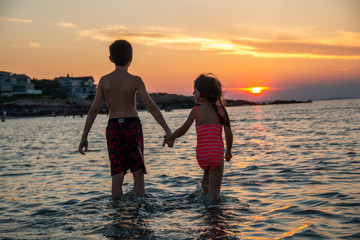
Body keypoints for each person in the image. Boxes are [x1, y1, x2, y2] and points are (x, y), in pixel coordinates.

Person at [78, 40, 173, 199]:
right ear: (131, 58)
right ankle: (140, 205)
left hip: (113, 127)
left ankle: (116, 210)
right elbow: (151, 106)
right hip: (132, 126)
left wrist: (84, 137)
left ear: (111, 59)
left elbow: (94, 109)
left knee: (117, 172)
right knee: (137, 171)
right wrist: (167, 130)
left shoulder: (104, 80)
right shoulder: (135, 80)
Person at [163, 73, 233, 202]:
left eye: (195, 91)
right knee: (214, 195)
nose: (192, 93)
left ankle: (203, 209)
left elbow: (183, 129)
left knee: (204, 189)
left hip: (202, 155)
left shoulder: (195, 111)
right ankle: (214, 214)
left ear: (203, 95)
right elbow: (228, 133)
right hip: (216, 154)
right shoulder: (221, 111)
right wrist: (228, 152)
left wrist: (170, 137)